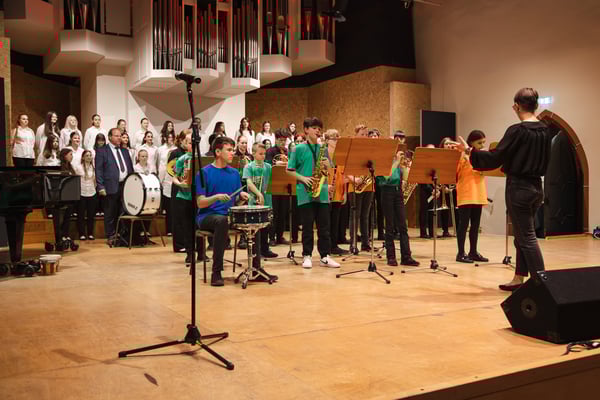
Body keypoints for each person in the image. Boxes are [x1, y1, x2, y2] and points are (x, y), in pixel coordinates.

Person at [457, 88, 554, 291]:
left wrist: (469, 151)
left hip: (519, 187)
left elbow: (495, 158)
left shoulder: (517, 130)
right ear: (536, 105)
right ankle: (519, 278)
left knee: (527, 237)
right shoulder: (546, 130)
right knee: (522, 236)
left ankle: (542, 286)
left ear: (516, 106)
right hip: (537, 187)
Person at [196, 136, 274, 287]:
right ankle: (216, 272)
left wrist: (242, 198)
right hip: (207, 216)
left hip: (228, 216)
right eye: (229, 150)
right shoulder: (204, 173)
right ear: (218, 152)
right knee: (221, 221)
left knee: (253, 220)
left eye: (233, 150)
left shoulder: (234, 173)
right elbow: (200, 202)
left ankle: (256, 269)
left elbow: (236, 202)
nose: (233, 153)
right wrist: (216, 197)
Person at [286, 117, 340, 269]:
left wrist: (327, 165)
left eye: (319, 128)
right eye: (314, 128)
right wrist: (303, 178)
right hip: (305, 191)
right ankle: (307, 255)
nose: (318, 131)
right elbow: (289, 170)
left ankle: (325, 256)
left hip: (322, 192)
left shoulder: (323, 148)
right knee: (307, 226)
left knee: (324, 227)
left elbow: (330, 168)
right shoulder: (298, 148)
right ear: (306, 130)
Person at [376, 148, 420, 266]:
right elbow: (386, 177)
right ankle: (391, 257)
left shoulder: (398, 162)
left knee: (403, 226)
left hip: (398, 191)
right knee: (389, 226)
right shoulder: (382, 161)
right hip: (387, 191)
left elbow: (405, 177)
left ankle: (406, 257)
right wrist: (396, 162)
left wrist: (406, 166)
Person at [95, 127, 134, 245]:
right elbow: (99, 170)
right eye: (116, 136)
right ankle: (111, 235)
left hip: (125, 186)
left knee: (123, 211)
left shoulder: (125, 151)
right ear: (110, 137)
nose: (119, 138)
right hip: (110, 186)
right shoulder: (102, 151)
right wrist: (100, 186)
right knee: (110, 212)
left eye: (120, 136)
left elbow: (130, 169)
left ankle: (122, 235)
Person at [455, 130, 489, 264]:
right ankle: (460, 253)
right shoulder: (463, 155)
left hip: (478, 193)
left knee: (475, 225)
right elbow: (456, 172)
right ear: (471, 143)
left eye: (483, 143)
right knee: (463, 225)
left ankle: (473, 252)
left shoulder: (481, 156)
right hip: (466, 193)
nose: (482, 145)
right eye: (479, 143)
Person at [243, 143, 278, 258]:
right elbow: (249, 182)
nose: (263, 156)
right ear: (253, 154)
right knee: (255, 228)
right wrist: (258, 194)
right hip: (254, 201)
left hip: (267, 200)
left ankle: (265, 249)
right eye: (260, 154)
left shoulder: (268, 167)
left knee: (265, 226)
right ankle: (255, 251)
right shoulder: (249, 167)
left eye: (264, 154)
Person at [345, 124, 374, 253]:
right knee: (354, 216)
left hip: (369, 185)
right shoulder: (351, 149)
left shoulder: (371, 149)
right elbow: (344, 167)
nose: (365, 136)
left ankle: (365, 243)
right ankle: (353, 244)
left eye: (366, 134)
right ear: (356, 135)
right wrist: (353, 179)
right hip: (355, 185)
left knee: (365, 215)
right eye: (362, 134)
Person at [324, 129, 349, 256]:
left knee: (335, 220)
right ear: (327, 140)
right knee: (326, 221)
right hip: (326, 190)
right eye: (334, 139)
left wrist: (345, 193)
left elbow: (343, 174)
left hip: (338, 190)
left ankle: (334, 245)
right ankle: (326, 246)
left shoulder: (341, 155)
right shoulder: (323, 154)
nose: (336, 141)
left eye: (338, 139)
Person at [265, 129, 291, 246]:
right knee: (274, 212)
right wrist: (276, 164)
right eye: (280, 140)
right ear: (276, 139)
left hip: (284, 184)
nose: (283, 142)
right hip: (273, 184)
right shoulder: (270, 151)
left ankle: (280, 236)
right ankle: (271, 237)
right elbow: (267, 165)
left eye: (284, 140)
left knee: (283, 212)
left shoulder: (287, 151)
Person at [168, 130, 189, 253]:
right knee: (178, 216)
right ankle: (179, 244)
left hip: (188, 188)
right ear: (181, 140)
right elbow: (171, 170)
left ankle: (188, 243)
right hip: (178, 187)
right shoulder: (175, 153)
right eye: (187, 140)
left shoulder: (192, 153)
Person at [75, 150, 97, 240]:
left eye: (90, 155)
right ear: (83, 157)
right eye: (87, 155)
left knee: (91, 215)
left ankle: (90, 233)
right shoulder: (79, 167)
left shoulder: (94, 167)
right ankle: (82, 234)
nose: (89, 157)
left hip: (92, 192)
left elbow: (95, 180)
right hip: (82, 193)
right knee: (81, 215)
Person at [158, 131, 176, 235]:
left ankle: (175, 229)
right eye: (169, 137)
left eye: (172, 137)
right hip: (166, 182)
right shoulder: (161, 150)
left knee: (175, 208)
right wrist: (161, 181)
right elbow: (161, 167)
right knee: (168, 209)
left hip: (175, 181)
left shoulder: (176, 150)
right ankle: (169, 229)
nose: (171, 139)